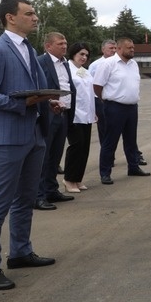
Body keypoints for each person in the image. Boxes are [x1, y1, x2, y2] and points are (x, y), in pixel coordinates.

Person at [0, 0, 61, 290]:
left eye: (35, 13)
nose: (35, 18)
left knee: (24, 200)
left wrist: (47, 102)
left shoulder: (29, 49)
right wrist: (23, 104)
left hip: (34, 134)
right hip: (7, 138)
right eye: (30, 13)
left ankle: (21, 253)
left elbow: (32, 90)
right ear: (11, 18)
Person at [93, 37, 151, 184]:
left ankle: (133, 167)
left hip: (132, 107)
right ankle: (105, 173)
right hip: (114, 107)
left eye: (133, 47)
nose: (132, 50)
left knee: (131, 140)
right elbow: (97, 85)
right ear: (118, 49)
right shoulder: (108, 64)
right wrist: (105, 100)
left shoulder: (133, 64)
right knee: (110, 141)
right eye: (128, 48)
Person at [33, 32, 76, 210]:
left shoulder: (65, 63)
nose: (64, 46)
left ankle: (51, 190)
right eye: (60, 44)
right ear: (48, 46)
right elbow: (37, 88)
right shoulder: (41, 62)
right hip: (48, 114)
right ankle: (38, 196)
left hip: (63, 114)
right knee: (44, 156)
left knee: (56, 156)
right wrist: (49, 102)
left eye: (65, 43)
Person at [63, 42, 95, 192]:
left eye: (86, 55)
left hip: (87, 115)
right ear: (73, 53)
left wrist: (93, 112)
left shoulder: (84, 71)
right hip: (74, 115)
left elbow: (89, 94)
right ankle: (68, 179)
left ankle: (77, 178)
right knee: (76, 146)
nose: (84, 57)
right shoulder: (67, 69)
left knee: (84, 148)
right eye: (81, 54)